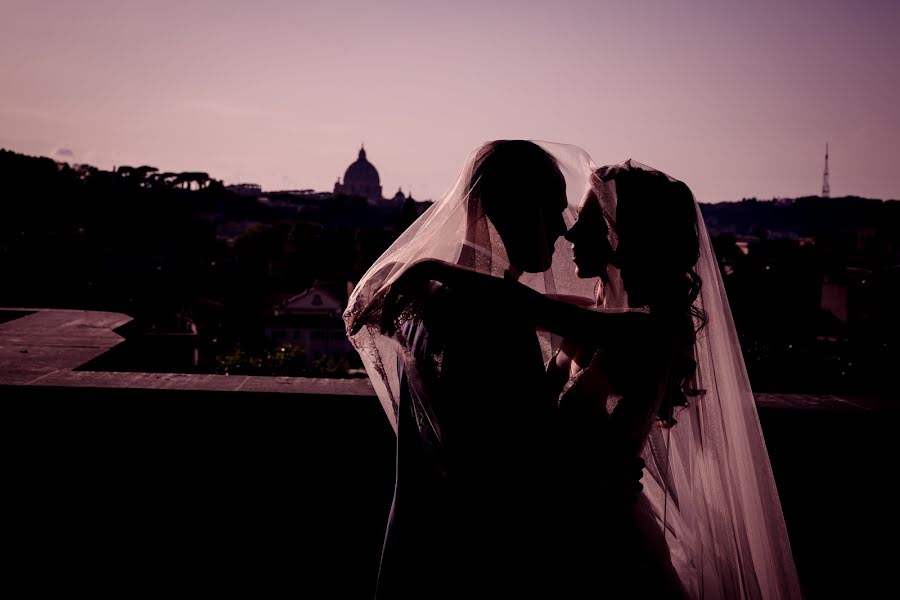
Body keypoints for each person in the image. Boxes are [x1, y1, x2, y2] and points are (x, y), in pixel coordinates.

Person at [369, 156, 803, 599]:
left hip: (603, 536)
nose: (571, 231)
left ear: (627, 237)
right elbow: (536, 321)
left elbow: (525, 304)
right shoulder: (600, 321)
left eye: (590, 220)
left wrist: (431, 269)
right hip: (573, 527)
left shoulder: (649, 330)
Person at [345, 140, 576, 599]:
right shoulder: (493, 319)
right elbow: (521, 456)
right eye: (551, 211)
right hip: (482, 561)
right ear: (514, 209)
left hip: (420, 545)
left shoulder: (425, 296)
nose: (561, 231)